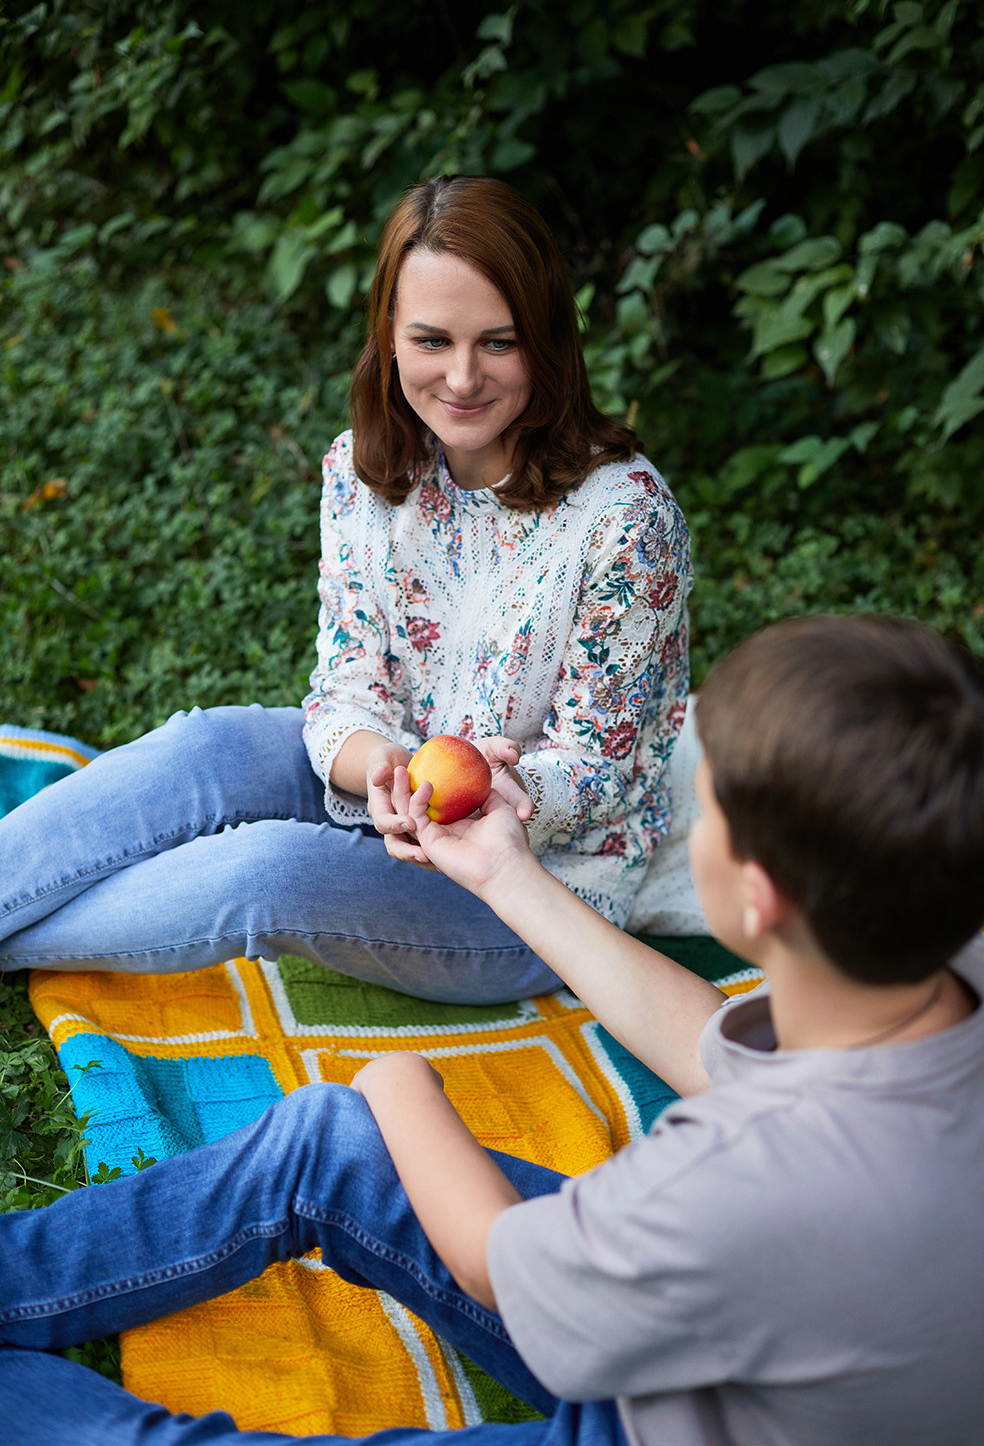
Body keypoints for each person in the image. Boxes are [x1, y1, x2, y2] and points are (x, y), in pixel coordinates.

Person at [3, 611, 984, 1446]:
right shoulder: (940, 979)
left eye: (710, 803)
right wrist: (510, 877)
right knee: (329, 1142)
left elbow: (496, 1259)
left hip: (660, 1414)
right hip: (747, 1349)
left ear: (760, 896)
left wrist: (399, 1089)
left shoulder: (741, 1181)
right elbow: (713, 1051)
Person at [0, 176, 691, 1004]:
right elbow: (346, 690)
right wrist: (392, 775)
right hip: (396, 788)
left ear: (547, 341)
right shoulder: (364, 472)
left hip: (537, 894)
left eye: (500, 343)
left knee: (269, 870)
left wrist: (499, 799)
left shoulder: (627, 517)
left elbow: (597, 773)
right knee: (210, 745)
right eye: (432, 340)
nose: (464, 378)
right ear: (390, 338)